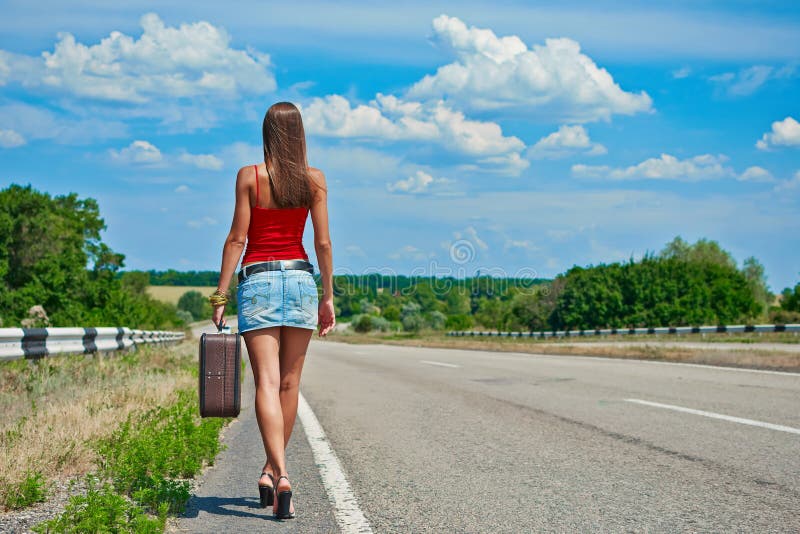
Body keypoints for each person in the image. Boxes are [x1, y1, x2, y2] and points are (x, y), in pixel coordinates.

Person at [210, 101, 335, 520]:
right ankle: (274, 471)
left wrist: (220, 295)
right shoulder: (314, 180)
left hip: (259, 281)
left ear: (267, 133)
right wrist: (328, 296)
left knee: (264, 380)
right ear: (300, 133)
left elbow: (236, 239)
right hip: (300, 280)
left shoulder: (251, 176)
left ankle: (278, 473)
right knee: (288, 384)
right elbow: (322, 244)